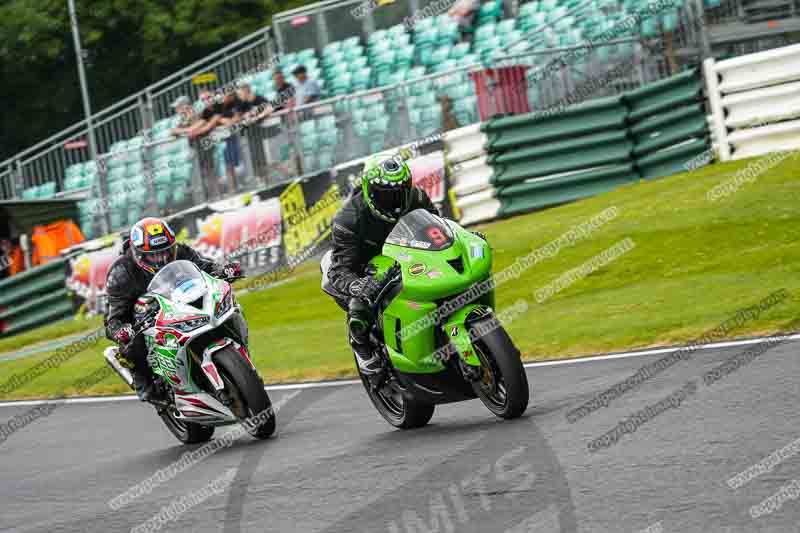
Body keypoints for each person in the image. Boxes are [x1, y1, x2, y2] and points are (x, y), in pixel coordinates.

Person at [104, 217, 242, 402]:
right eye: (154, 255)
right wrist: (121, 330)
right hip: (139, 315)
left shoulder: (181, 251)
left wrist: (224, 270)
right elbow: (114, 318)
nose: (162, 258)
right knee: (132, 343)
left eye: (166, 252)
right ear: (139, 254)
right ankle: (143, 383)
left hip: (177, 303)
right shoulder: (121, 273)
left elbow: (205, 266)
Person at [325, 155, 439, 375]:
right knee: (360, 305)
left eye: (399, 193)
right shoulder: (348, 219)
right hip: (364, 266)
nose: (394, 202)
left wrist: (462, 237)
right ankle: (361, 345)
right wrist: (356, 286)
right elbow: (339, 269)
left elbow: (441, 227)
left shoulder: (417, 198)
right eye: (386, 196)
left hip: (407, 255)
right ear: (369, 190)